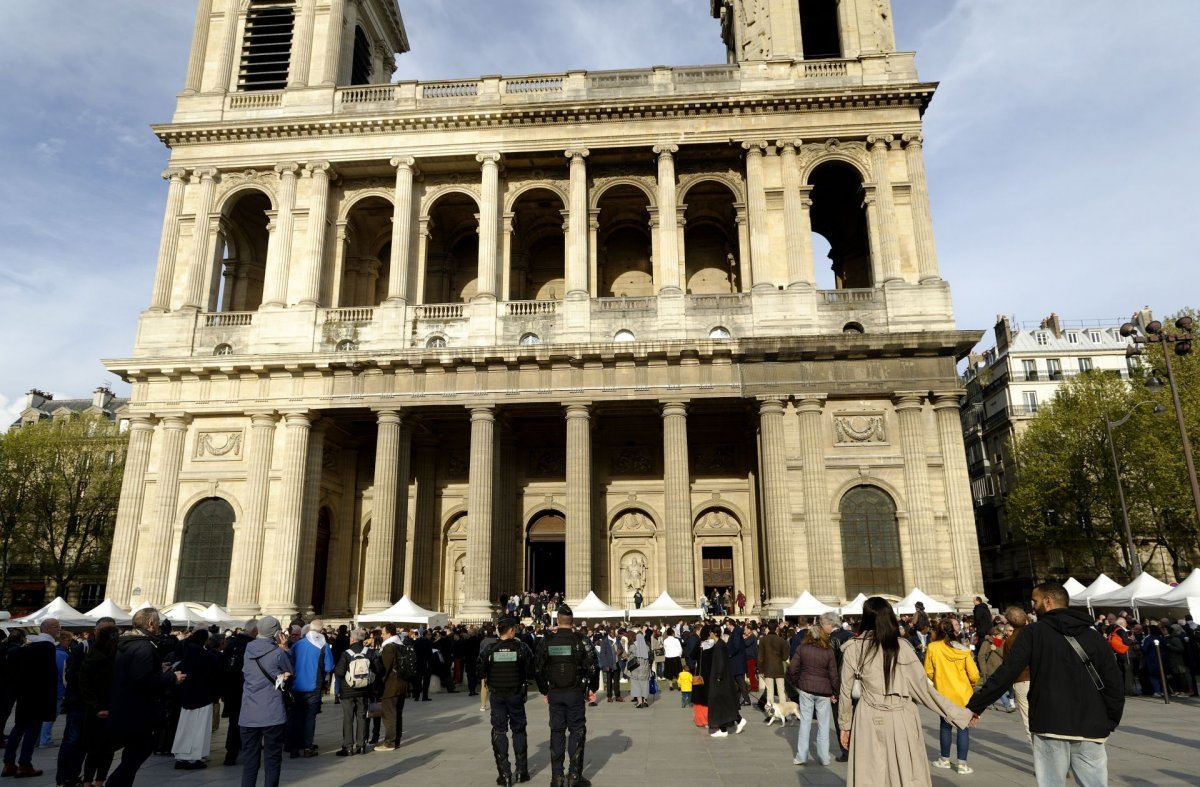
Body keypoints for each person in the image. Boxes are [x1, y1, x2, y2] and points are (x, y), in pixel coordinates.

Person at [969, 582, 1124, 787]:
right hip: (1091, 725)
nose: (1033, 606)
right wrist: (1110, 719)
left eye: (1035, 601)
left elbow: (1006, 673)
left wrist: (976, 705)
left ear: (1048, 601)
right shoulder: (1093, 635)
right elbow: (1114, 682)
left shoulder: (1033, 633)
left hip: (1050, 723)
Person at [838, 597, 975, 786]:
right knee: (906, 773)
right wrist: (961, 715)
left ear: (865, 618)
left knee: (870, 774)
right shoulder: (903, 647)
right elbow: (925, 691)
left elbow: (845, 692)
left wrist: (845, 725)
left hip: (868, 717)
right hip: (902, 715)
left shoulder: (853, 648)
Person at [107, 608, 186, 787]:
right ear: (151, 624)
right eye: (157, 623)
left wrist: (159, 669)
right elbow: (142, 680)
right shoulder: (144, 646)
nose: (159, 627)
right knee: (138, 752)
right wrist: (172, 677)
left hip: (123, 708)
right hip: (138, 711)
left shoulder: (126, 642)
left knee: (132, 754)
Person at [534, 605, 599, 787]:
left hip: (555, 692)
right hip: (575, 693)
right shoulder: (581, 640)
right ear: (572, 622)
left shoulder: (547, 641)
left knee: (557, 732)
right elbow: (594, 667)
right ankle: (574, 776)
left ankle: (557, 777)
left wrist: (544, 691)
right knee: (577, 731)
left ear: (557, 621)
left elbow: (537, 669)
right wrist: (592, 689)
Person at [479, 617, 534, 786]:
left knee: (499, 731)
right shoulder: (522, 648)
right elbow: (531, 671)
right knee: (519, 730)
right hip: (516, 694)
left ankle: (504, 773)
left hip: (497, 695)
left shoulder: (489, 649)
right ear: (511, 630)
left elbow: (480, 671)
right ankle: (521, 771)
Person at [2, 618, 59, 778]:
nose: (58, 632)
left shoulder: (29, 645)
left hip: (24, 695)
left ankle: (8, 763)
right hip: (38, 696)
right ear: (50, 628)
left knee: (18, 728)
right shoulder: (47, 646)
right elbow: (48, 676)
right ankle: (24, 764)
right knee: (32, 730)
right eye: (57, 628)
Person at [239, 615, 293, 787]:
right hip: (272, 712)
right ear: (276, 633)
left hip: (249, 713)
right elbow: (290, 673)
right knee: (272, 760)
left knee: (249, 762)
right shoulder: (278, 653)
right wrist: (285, 649)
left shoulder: (247, 651)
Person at [924, 617, 979, 774]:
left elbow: (928, 671)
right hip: (963, 694)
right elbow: (974, 675)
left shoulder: (933, 647)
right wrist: (970, 686)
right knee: (963, 728)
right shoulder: (962, 649)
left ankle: (944, 760)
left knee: (945, 726)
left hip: (944, 693)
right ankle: (962, 764)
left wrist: (937, 681)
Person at [788, 611, 840, 766]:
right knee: (824, 725)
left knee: (805, 723)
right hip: (824, 691)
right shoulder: (828, 651)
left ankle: (801, 756)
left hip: (806, 689)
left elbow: (792, 669)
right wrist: (835, 691)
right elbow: (833, 674)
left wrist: (798, 683)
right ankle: (824, 757)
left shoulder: (802, 648)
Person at [172, 628, 219, 769]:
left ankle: (181, 755)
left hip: (187, 696)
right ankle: (194, 757)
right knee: (200, 728)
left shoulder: (186, 654)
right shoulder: (207, 656)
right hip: (203, 696)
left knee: (185, 726)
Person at [286, 619, 333, 758]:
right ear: (322, 630)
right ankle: (307, 747)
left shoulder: (298, 644)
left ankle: (294, 748)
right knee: (309, 718)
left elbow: (289, 662)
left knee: (295, 717)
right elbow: (329, 667)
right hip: (314, 686)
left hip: (296, 686)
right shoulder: (324, 645)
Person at [80, 624, 119, 787]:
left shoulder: (91, 656)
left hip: (93, 710)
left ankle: (88, 781)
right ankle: (99, 781)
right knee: (107, 750)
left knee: (93, 749)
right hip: (111, 708)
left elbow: (84, 686)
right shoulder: (116, 658)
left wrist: (95, 706)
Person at [697, 624, 745, 738]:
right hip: (722, 678)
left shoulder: (719, 646)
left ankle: (735, 722)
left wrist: (718, 676)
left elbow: (721, 662)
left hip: (720, 679)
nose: (709, 634)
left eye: (710, 632)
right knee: (723, 703)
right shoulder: (719, 644)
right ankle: (728, 726)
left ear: (714, 633)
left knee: (719, 702)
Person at [374, 623, 414, 751]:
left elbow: (385, 669)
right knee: (397, 713)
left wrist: (378, 685)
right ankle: (396, 741)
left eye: (383, 633)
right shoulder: (400, 645)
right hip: (402, 684)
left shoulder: (389, 647)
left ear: (389, 634)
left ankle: (389, 743)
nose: (382, 636)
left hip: (391, 685)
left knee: (389, 715)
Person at [221, 619, 256, 766]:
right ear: (255, 631)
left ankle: (231, 753)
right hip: (247, 689)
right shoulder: (253, 646)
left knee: (233, 722)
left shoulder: (231, 643)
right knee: (248, 723)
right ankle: (246, 750)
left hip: (231, 689)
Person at [333, 627, 372, 756]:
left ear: (353, 639)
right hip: (364, 690)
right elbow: (378, 668)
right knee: (361, 717)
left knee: (348, 718)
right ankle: (361, 746)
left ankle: (348, 746)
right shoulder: (369, 652)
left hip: (348, 691)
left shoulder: (346, 653)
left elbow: (339, 672)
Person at [1002, 607, 1033, 741]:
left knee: (1028, 719)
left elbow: (1008, 665)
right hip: (1039, 678)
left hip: (1022, 680)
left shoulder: (1010, 640)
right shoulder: (1035, 634)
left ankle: (1040, 756)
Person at [978, 626, 1014, 712]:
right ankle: (1007, 705)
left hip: (1002, 669)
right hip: (991, 669)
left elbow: (1005, 655)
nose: (1002, 636)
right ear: (994, 635)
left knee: (992, 689)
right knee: (998, 688)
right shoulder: (987, 643)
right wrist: (984, 670)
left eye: (1001, 634)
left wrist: (996, 649)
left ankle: (990, 704)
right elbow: (981, 656)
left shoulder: (1003, 642)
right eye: (999, 635)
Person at [757, 620, 789, 708]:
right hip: (779, 668)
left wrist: (760, 670)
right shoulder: (782, 640)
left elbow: (760, 657)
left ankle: (771, 712)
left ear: (768, 628)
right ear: (777, 628)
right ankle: (783, 711)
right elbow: (785, 657)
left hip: (767, 668)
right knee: (781, 691)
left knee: (770, 691)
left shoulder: (763, 640)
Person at [723, 620, 751, 706]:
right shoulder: (736, 632)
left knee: (740, 681)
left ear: (731, 625)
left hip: (737, 661)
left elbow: (736, 646)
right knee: (738, 681)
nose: (726, 627)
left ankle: (746, 699)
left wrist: (730, 654)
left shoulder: (735, 633)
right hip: (738, 661)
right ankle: (738, 699)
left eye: (727, 625)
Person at [627, 628, 653, 709]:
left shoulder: (632, 646)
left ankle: (639, 702)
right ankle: (645, 701)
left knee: (636, 685)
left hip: (636, 669)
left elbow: (628, 655)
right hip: (645, 669)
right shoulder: (647, 646)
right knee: (645, 685)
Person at [596, 628, 622, 703]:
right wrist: (605, 665)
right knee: (609, 681)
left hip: (616, 663)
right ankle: (609, 696)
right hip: (609, 663)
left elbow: (621, 648)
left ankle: (617, 696)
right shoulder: (605, 642)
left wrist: (620, 651)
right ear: (609, 633)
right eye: (612, 632)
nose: (613, 634)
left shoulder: (617, 640)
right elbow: (602, 654)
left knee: (617, 681)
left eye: (614, 632)